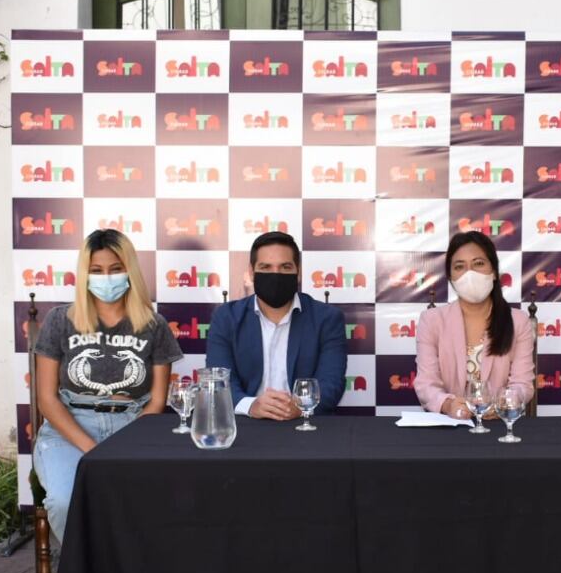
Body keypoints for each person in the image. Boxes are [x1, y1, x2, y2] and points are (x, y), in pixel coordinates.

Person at [32, 229, 181, 542]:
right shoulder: (60, 320)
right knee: (63, 502)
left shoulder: (154, 325)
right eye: (96, 271)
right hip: (69, 428)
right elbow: (47, 399)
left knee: (150, 502)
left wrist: (122, 447)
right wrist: (93, 450)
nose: (106, 278)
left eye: (115, 269)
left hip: (134, 425)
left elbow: (156, 403)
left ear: (130, 271)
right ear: (85, 274)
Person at [206, 231, 347, 418]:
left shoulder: (327, 319)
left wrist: (299, 406)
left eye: (285, 267)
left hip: (306, 427)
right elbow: (219, 381)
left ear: (298, 272)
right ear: (251, 272)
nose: (276, 275)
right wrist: (251, 405)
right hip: (245, 427)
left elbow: (331, 383)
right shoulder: (226, 317)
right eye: (265, 267)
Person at [414, 230, 534, 417]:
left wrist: (505, 402)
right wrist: (448, 405)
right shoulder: (431, 321)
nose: (469, 274)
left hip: (499, 428)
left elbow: (523, 384)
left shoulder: (518, 322)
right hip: (449, 428)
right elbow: (426, 384)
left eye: (478, 264)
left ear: (494, 272)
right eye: (459, 267)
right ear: (451, 279)